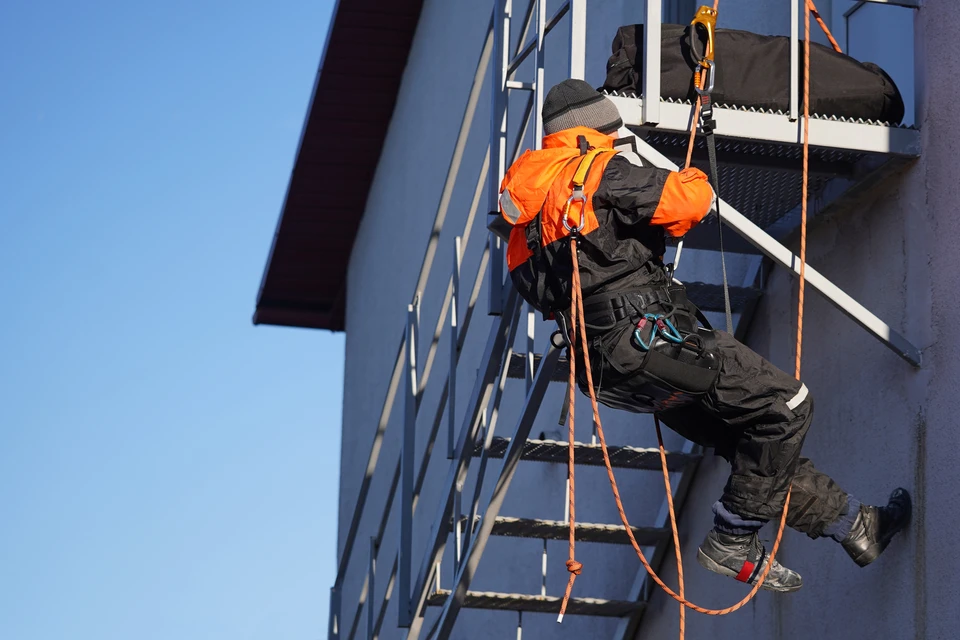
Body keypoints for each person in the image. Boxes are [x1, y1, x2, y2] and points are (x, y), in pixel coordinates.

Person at [491, 79, 911, 592]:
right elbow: (690, 202)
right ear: (596, 128)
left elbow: (546, 290)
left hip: (605, 369)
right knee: (787, 405)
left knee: (751, 446)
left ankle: (855, 525)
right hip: (655, 341)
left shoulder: (521, 224)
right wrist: (683, 171)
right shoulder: (597, 168)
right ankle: (731, 538)